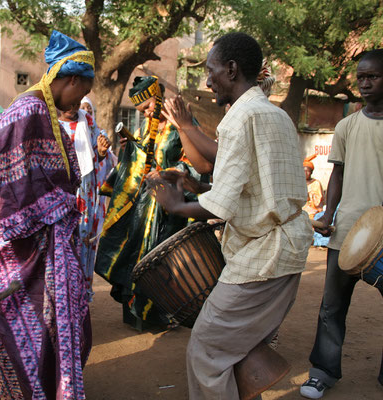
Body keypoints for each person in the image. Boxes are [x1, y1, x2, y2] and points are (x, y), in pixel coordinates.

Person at [148, 32, 312, 399]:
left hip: (264, 256)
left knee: (206, 348)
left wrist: (177, 206)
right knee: (233, 345)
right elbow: (254, 190)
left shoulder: (241, 118)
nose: (207, 79)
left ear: (232, 69)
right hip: (284, 248)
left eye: (211, 70)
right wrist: (196, 187)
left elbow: (220, 207)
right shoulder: (274, 113)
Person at [0, 30, 95, 399]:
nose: (80, 102)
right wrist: (58, 208)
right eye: (82, 91)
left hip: (42, 248)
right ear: (69, 79)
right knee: (20, 339)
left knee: (59, 333)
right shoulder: (28, 110)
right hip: (12, 252)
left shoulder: (46, 112)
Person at [300, 49, 383, 399]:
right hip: (347, 231)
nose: (364, 83)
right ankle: (322, 372)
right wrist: (327, 214)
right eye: (360, 77)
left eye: (372, 77)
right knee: (332, 307)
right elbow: (338, 173)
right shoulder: (348, 125)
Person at [94, 76, 203, 329]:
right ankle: (136, 312)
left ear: (159, 96)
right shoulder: (144, 130)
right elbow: (139, 166)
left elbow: (196, 165)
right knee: (137, 256)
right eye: (141, 111)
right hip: (143, 210)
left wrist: (167, 172)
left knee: (164, 259)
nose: (146, 113)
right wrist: (131, 148)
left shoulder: (181, 125)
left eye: (148, 106)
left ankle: (164, 313)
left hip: (170, 208)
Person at [58, 102, 115, 300]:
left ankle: (80, 297)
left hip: (85, 194)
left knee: (84, 242)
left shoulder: (86, 120)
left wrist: (100, 151)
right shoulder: (49, 121)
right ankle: (65, 299)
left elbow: (97, 156)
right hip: (61, 193)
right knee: (63, 244)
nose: (72, 105)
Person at [302, 154, 325, 219]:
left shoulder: (316, 183)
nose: (305, 173)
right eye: (304, 171)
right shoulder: (299, 183)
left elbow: (319, 201)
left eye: (308, 171)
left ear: (311, 172)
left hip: (313, 211)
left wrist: (309, 196)